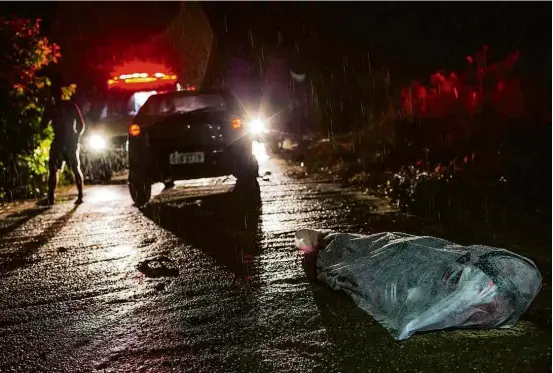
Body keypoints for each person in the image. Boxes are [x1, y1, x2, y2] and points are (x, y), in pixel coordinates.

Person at [42, 82, 86, 205]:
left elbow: (81, 124)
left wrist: (76, 136)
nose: (55, 96)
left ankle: (80, 195)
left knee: (74, 168)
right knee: (53, 168)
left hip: (69, 141)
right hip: (60, 141)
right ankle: (51, 197)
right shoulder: (52, 108)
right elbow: (43, 124)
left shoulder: (70, 106)